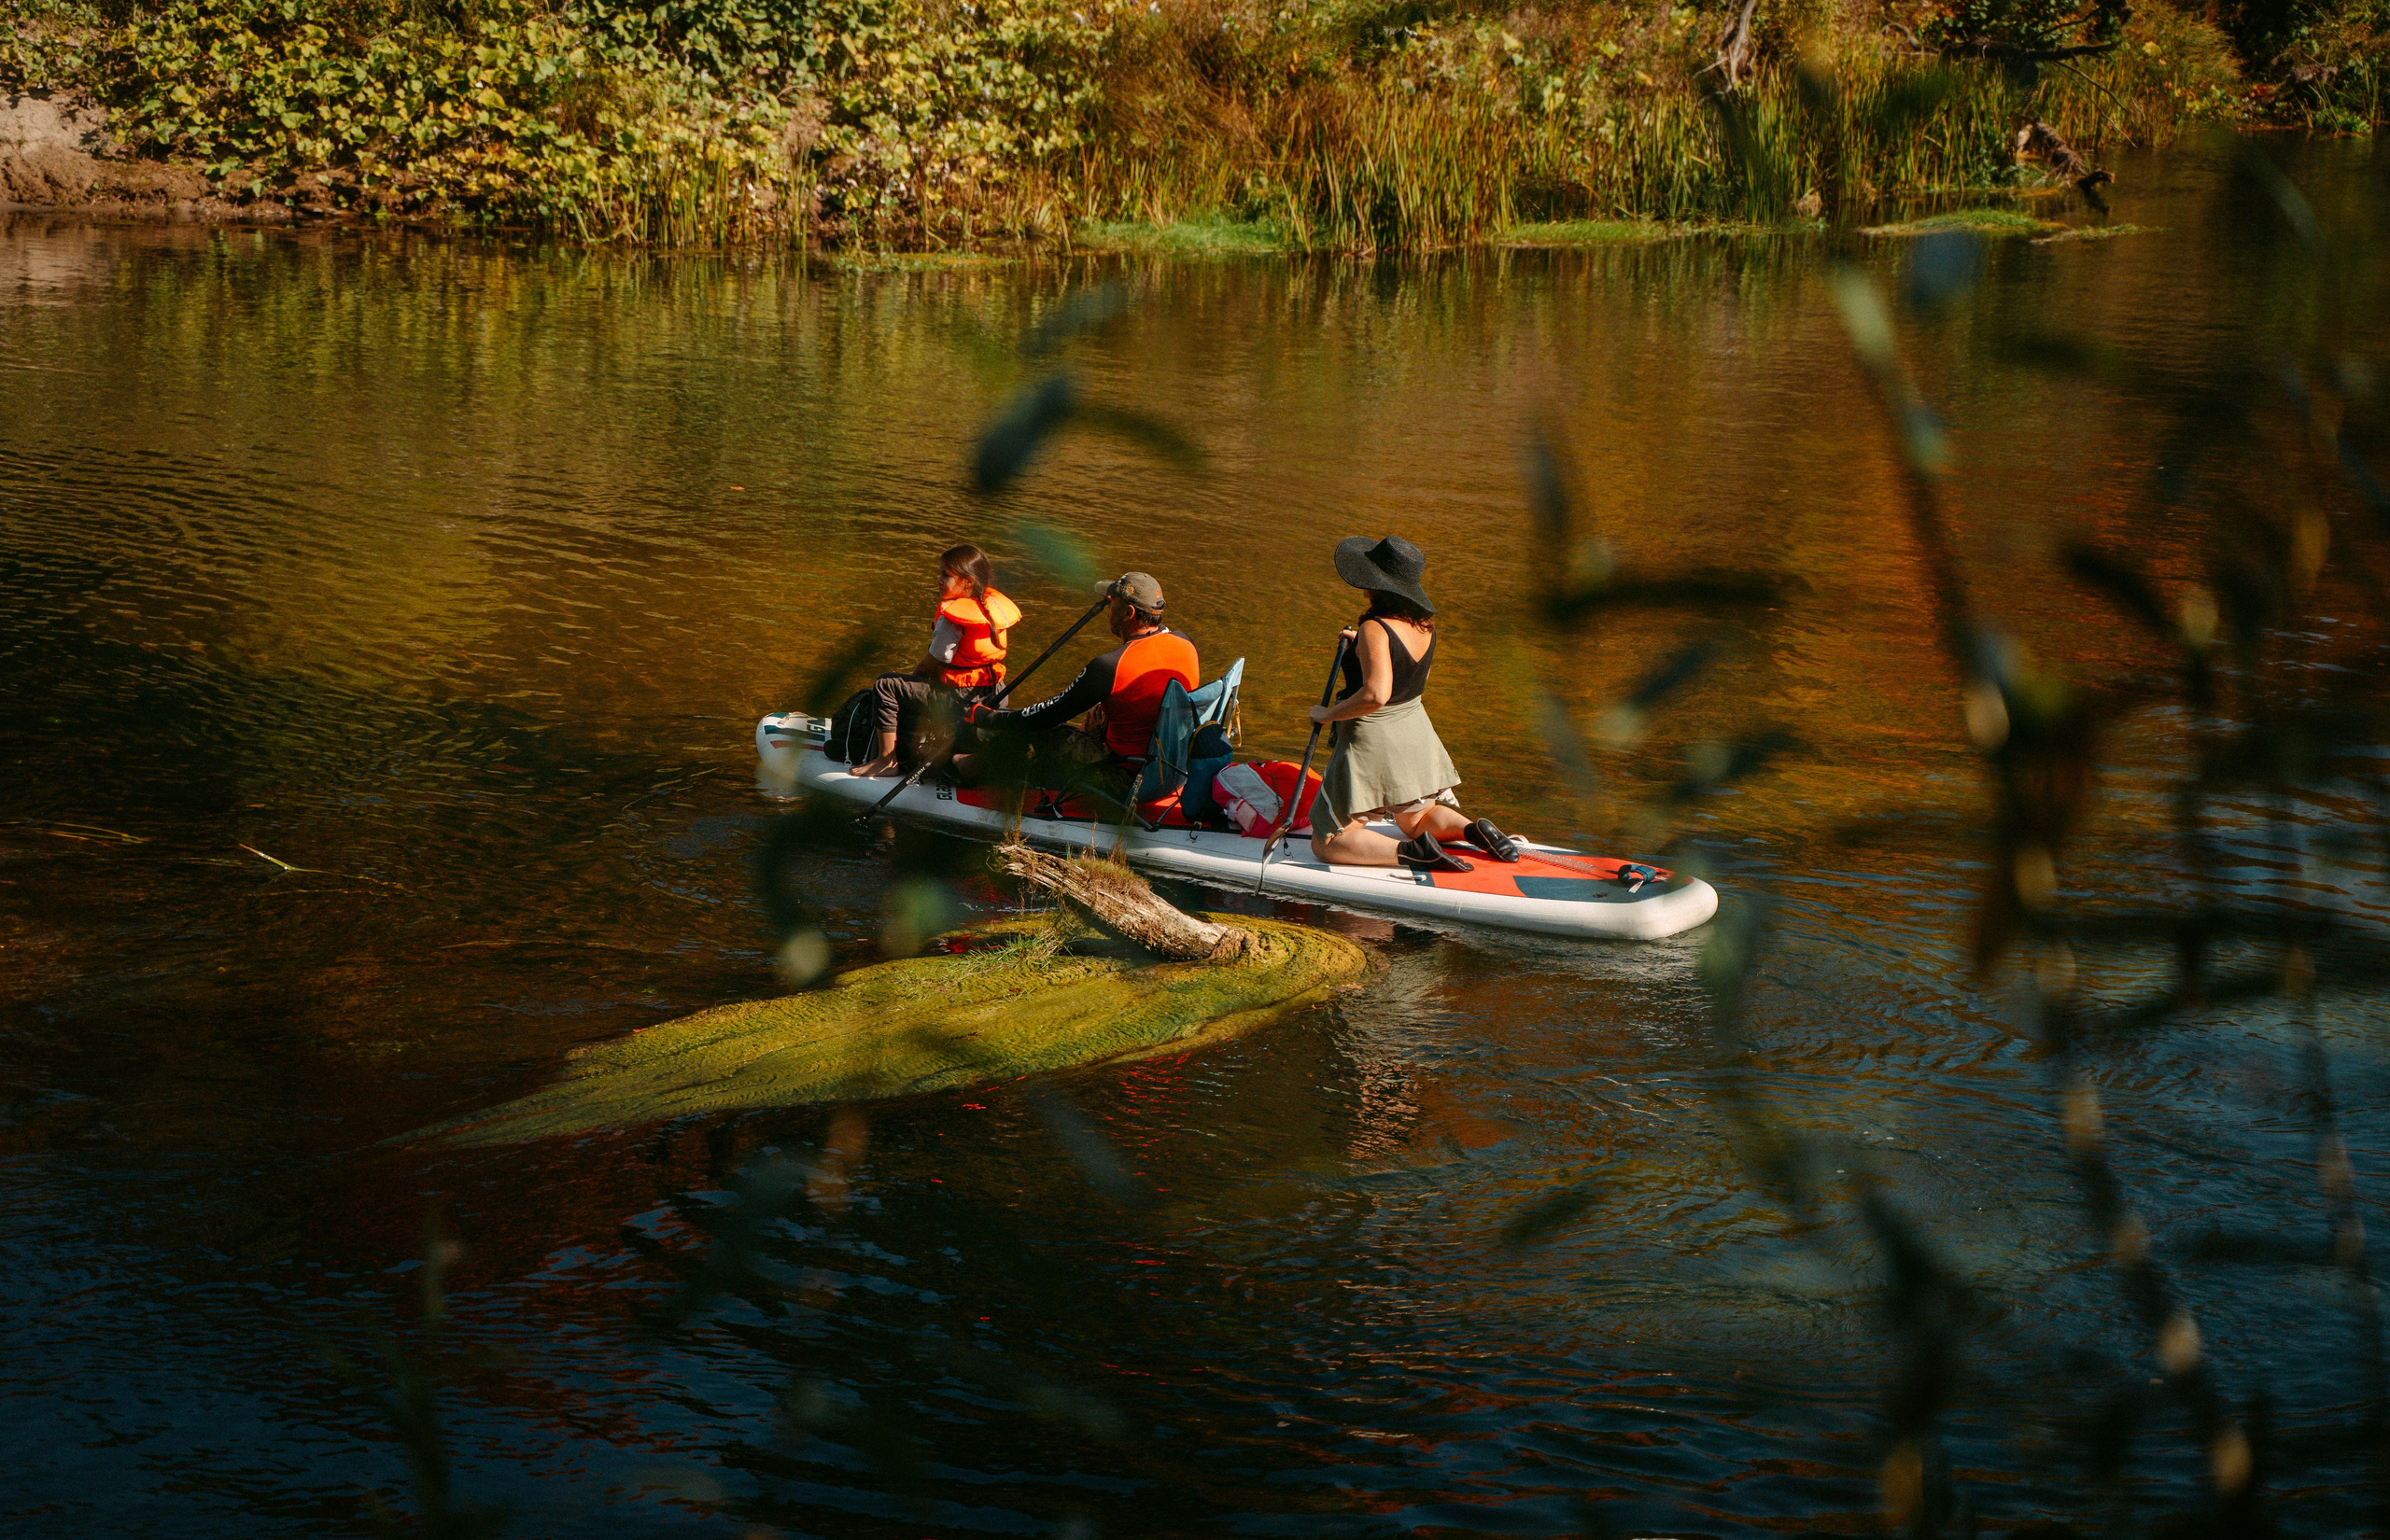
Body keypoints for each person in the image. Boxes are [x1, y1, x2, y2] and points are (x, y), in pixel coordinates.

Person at [1307, 535, 1522, 872]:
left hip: (1374, 744)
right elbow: (1408, 673)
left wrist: (1328, 715)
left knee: (1328, 840)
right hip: (1416, 736)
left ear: (1381, 586)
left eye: (1369, 581)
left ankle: (1414, 853)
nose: (1364, 589)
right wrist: (1360, 645)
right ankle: (1472, 829)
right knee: (1417, 816)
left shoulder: (1374, 628)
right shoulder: (1424, 625)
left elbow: (1377, 695)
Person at [954, 571, 1198, 798]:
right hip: (1170, 769)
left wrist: (990, 719)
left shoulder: (1110, 667)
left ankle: (975, 769)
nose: (1108, 610)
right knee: (1100, 708)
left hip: (1129, 780)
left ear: (1129, 614)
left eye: (1111, 604)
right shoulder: (1185, 642)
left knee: (1041, 729)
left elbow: (1045, 715)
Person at [848, 543, 1020, 778]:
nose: (938, 580)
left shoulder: (952, 619)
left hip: (959, 698)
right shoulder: (990, 610)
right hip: (995, 693)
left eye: (946, 575)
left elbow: (933, 661)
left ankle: (887, 761)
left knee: (886, 685)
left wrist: (909, 684)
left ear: (968, 582)